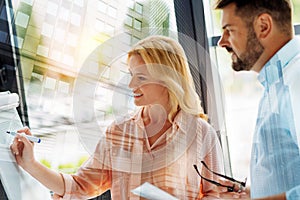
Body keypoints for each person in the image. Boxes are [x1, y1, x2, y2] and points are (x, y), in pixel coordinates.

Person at [10, 35, 224, 199]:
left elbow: (218, 194)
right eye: (131, 75)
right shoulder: (119, 132)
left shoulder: (200, 133)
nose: (131, 85)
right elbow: (79, 186)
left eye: (141, 77)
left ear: (168, 80)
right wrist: (30, 163)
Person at [214, 0, 300, 199]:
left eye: (229, 30)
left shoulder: (296, 80)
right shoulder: (277, 83)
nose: (222, 42)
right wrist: (249, 195)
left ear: (263, 26)